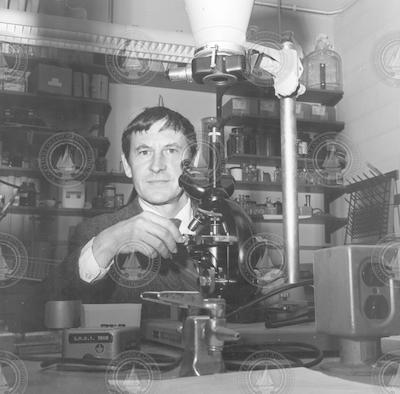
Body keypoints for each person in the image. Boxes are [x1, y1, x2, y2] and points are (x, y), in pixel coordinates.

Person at [50, 106, 200, 318]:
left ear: (193, 162)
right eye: (144, 152)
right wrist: (107, 244)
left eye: (171, 150)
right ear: (127, 165)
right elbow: (51, 304)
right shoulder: (94, 231)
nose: (157, 166)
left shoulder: (230, 224)